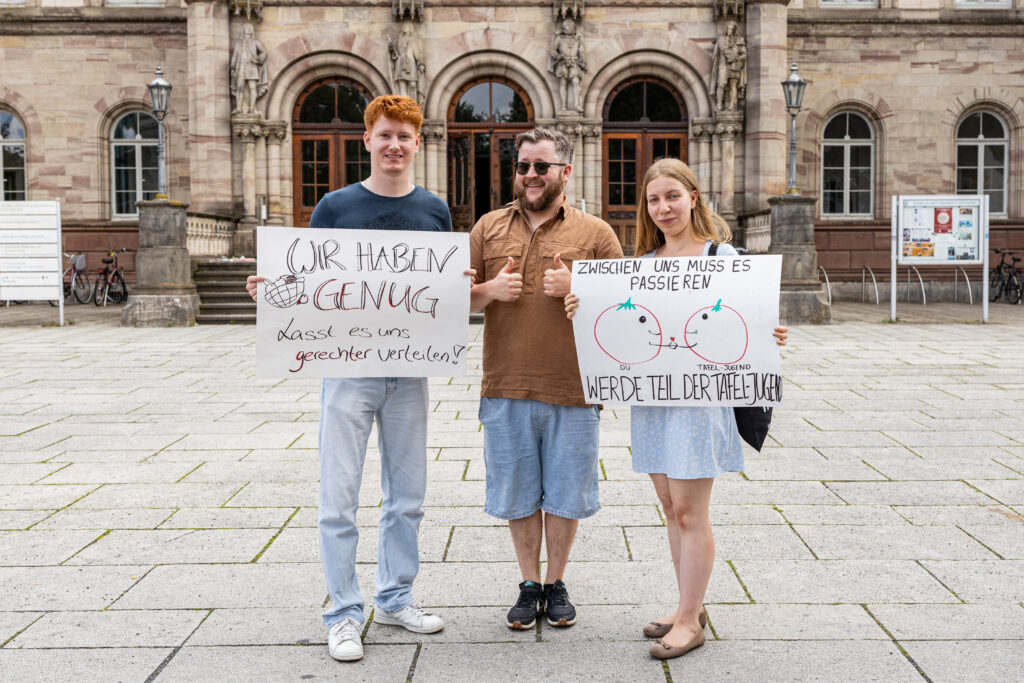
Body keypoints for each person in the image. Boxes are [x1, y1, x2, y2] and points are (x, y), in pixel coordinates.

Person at [245, 95, 456, 663]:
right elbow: (308, 286)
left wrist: (468, 291)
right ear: (368, 140)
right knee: (338, 498)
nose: (394, 145)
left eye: (404, 137)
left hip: (409, 374)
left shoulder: (435, 211)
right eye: (384, 135)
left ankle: (394, 597)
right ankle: (342, 612)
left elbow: (439, 296)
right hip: (347, 370)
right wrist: (274, 295)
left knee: (407, 497)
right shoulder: (334, 207)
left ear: (418, 143)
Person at [564, 158, 787, 659]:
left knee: (690, 511)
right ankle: (689, 602)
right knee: (670, 508)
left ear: (693, 197)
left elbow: (748, 321)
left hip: (700, 403)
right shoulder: (642, 265)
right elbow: (620, 328)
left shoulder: (721, 255)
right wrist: (584, 310)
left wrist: (771, 336)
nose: (663, 208)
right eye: (654, 200)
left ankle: (690, 620)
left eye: (672, 196)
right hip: (654, 401)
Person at [468, 128, 624, 630]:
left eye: (542, 166)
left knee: (565, 493)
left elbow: (629, 311)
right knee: (516, 493)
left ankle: (555, 582)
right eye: (523, 166)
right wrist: (491, 289)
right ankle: (527, 582)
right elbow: (452, 302)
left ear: (565, 172)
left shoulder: (596, 233)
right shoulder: (487, 229)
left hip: (574, 388)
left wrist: (580, 286)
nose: (531, 175)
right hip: (506, 384)